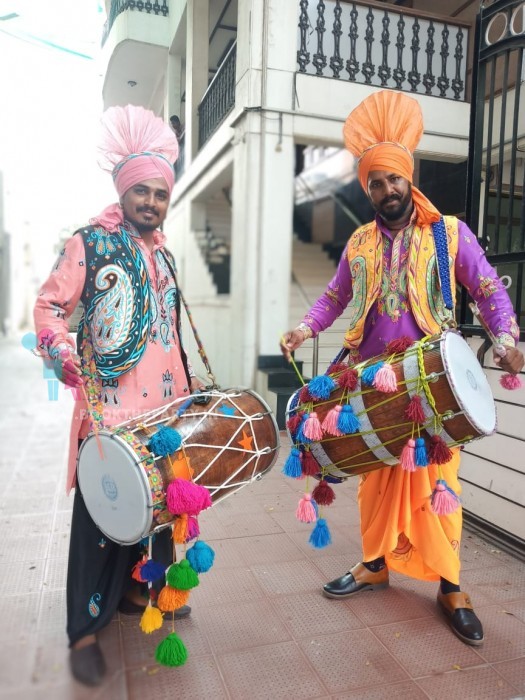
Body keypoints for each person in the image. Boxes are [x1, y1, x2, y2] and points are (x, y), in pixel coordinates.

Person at [281, 90, 524, 647]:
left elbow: (487, 289)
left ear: (408, 178)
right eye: (375, 182)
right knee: (374, 481)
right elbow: (336, 297)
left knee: (438, 483)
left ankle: (451, 586)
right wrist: (305, 328)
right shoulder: (360, 243)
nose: (386, 189)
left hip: (431, 386)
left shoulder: (447, 233)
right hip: (372, 383)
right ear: (366, 189)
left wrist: (507, 338)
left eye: (393, 178)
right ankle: (375, 564)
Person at [34, 105, 204, 686]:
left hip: (164, 412)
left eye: (160, 194)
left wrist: (190, 385)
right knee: (100, 518)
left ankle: (138, 595)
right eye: (142, 192)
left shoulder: (166, 254)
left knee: (156, 511)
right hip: (109, 413)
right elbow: (49, 306)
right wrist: (60, 352)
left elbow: (169, 329)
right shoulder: (90, 242)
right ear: (123, 191)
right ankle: (83, 628)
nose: (151, 203)